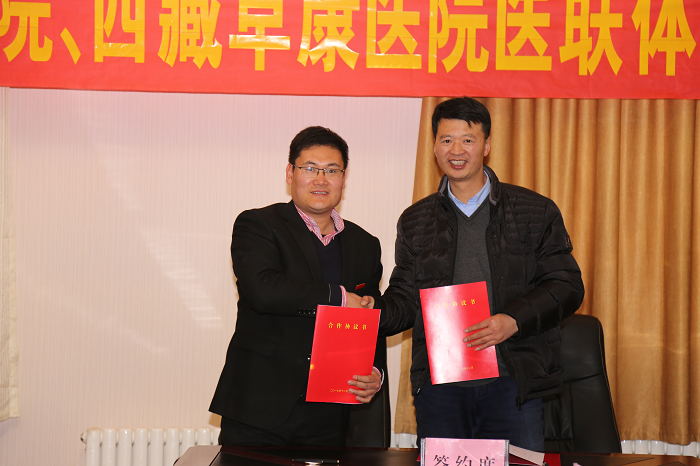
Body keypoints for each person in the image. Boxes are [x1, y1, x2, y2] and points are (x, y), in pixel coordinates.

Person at [369, 97, 584, 451]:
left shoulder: (534, 211)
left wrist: (513, 320)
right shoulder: (416, 220)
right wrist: (370, 311)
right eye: (446, 139)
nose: (456, 150)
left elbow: (566, 285)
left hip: (512, 382)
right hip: (441, 388)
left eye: (467, 140)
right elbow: (406, 299)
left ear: (486, 145)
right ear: (434, 146)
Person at [210, 126, 387, 447]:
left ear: (344, 178)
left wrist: (373, 370)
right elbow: (263, 290)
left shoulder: (365, 243)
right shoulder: (258, 224)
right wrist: (339, 297)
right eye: (310, 168)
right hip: (260, 406)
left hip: (331, 410)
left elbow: (368, 315)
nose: (321, 179)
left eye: (332, 170)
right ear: (290, 173)